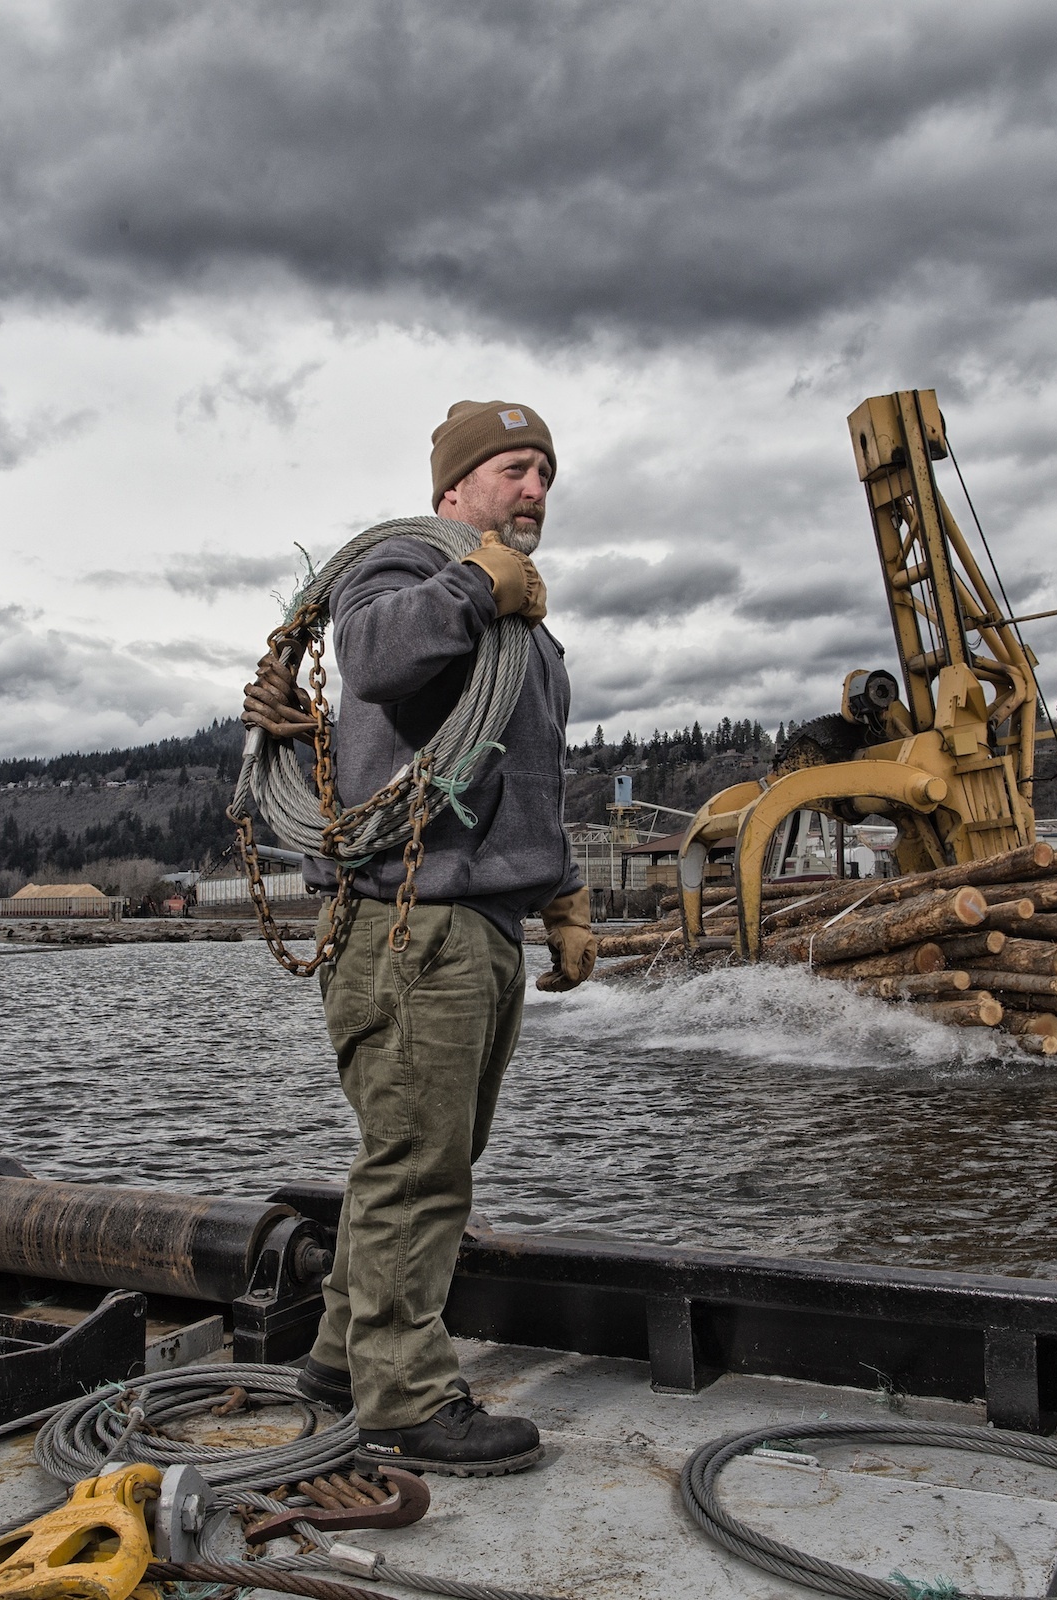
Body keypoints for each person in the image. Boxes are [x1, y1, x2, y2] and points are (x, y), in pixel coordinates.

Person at [243, 400, 598, 1476]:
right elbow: (371, 658)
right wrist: (473, 580)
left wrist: (566, 894)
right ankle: (403, 1398)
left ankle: (345, 1354)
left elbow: (524, 780)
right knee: (417, 1161)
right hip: (409, 917)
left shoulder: (525, 633)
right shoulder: (406, 563)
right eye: (510, 470)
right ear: (454, 491)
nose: (533, 488)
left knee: (427, 1153)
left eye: (544, 471)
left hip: (475, 920)